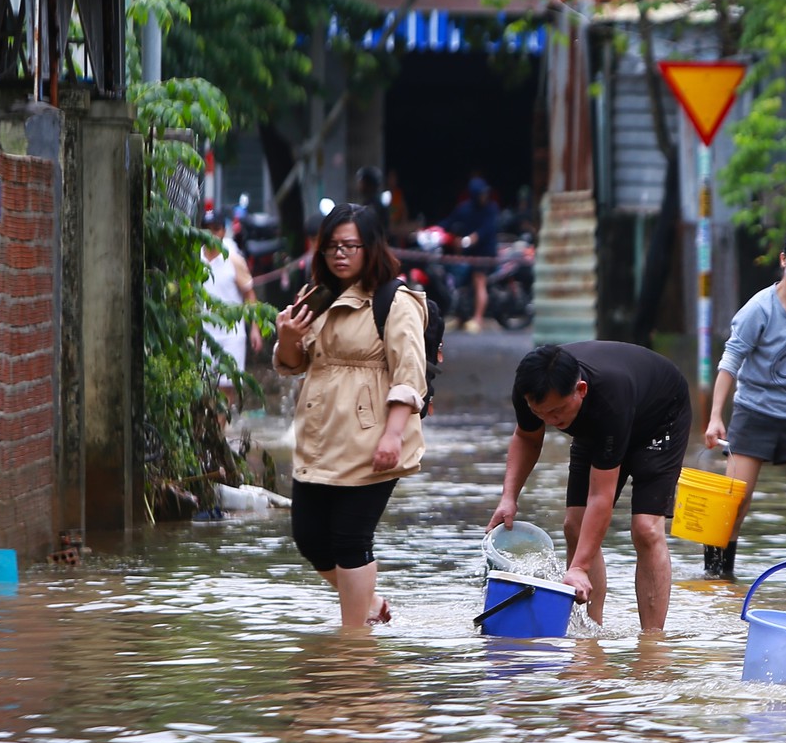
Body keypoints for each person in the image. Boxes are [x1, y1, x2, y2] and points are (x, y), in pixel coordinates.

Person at [272, 204, 430, 629]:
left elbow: (409, 376)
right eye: (330, 247)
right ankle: (370, 605)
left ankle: (354, 642)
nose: (339, 255)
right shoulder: (316, 296)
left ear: (371, 247)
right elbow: (293, 363)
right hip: (319, 433)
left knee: (350, 538)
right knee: (309, 537)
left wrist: (393, 436)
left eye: (349, 246)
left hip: (372, 436)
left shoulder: (396, 300)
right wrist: (287, 337)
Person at [488, 342, 693, 631]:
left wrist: (580, 566)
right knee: (574, 525)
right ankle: (589, 633)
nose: (551, 421)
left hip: (659, 418)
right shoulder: (530, 389)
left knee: (646, 529)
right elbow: (527, 438)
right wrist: (508, 498)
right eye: (541, 413)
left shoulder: (609, 397)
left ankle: (652, 642)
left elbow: (601, 497)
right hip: (598, 426)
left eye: (557, 412)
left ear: (580, 390)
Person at [699, 217, 786, 579]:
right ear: (784, 259)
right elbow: (730, 361)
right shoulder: (759, 309)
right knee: (734, 503)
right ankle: (717, 582)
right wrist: (716, 415)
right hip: (755, 416)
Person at [203, 210, 260, 398]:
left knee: (226, 387)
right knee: (202, 387)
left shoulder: (234, 260)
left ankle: (220, 428)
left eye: (216, 229)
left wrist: (254, 329)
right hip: (202, 333)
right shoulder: (194, 259)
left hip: (231, 334)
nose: (212, 234)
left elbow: (249, 294)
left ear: (223, 231)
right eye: (207, 229)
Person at [440, 175, 499, 333]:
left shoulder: (490, 209)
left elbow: (487, 230)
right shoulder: (465, 208)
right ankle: (460, 317)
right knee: (462, 285)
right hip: (468, 256)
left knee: (479, 281)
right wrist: (434, 230)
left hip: (485, 254)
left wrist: (472, 239)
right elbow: (449, 221)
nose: (484, 197)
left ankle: (478, 319)